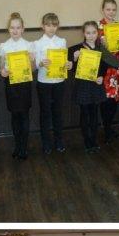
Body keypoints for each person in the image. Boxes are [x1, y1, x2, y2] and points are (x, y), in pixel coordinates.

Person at [69, 21, 118, 152]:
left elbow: (113, 63)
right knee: (85, 113)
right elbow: (71, 69)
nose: (91, 35)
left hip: (96, 85)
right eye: (88, 33)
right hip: (83, 86)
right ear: (84, 34)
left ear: (98, 33)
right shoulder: (76, 49)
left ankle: (94, 140)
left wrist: (102, 76)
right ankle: (87, 141)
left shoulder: (100, 48)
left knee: (94, 114)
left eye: (94, 32)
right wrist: (74, 59)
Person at [0, 13, 35, 160]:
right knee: (14, 116)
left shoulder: (29, 45)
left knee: (24, 115)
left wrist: (32, 61)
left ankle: (24, 147)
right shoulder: (3, 46)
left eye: (18, 28)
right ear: (8, 29)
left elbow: (33, 69)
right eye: (12, 28)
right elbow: (1, 68)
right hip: (11, 85)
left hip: (24, 84)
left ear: (23, 29)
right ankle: (17, 146)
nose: (15, 30)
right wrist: (3, 72)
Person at [34, 12, 71, 154]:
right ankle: (46, 142)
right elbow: (35, 65)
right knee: (45, 113)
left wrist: (68, 64)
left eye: (54, 25)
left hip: (59, 82)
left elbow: (65, 61)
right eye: (48, 25)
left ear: (57, 26)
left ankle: (59, 140)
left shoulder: (62, 41)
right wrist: (40, 63)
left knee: (58, 112)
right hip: (44, 82)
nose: (51, 28)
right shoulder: (37, 43)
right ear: (43, 26)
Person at [97, 0, 119, 142]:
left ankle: (109, 127)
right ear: (102, 10)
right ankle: (106, 129)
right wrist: (100, 44)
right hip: (105, 69)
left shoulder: (118, 26)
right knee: (106, 100)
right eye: (108, 9)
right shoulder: (97, 27)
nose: (111, 12)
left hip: (117, 69)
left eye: (114, 10)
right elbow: (92, 49)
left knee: (115, 99)